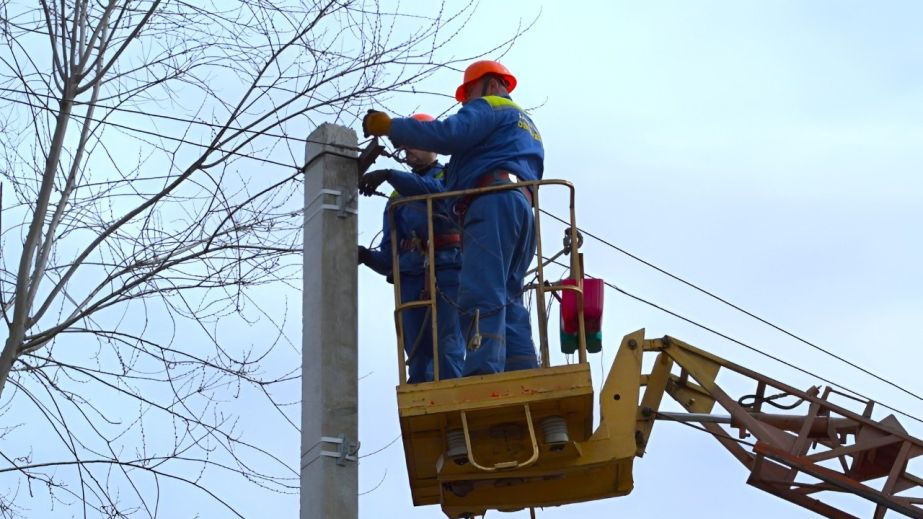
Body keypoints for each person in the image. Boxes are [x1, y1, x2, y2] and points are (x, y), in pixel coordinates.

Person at [362, 60, 543, 376]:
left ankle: (482, 372)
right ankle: (522, 369)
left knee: (481, 291)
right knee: (509, 295)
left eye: (469, 92)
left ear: (489, 84)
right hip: (520, 208)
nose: (466, 101)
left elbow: (448, 134)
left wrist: (391, 127)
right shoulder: (524, 128)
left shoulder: (491, 106)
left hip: (492, 203)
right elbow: (444, 191)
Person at [357, 114, 464, 383]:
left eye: (414, 144)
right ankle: (429, 409)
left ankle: (454, 402)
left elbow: (437, 198)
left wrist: (391, 175)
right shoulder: (396, 198)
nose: (409, 152)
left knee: (448, 346)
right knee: (417, 356)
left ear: (433, 146)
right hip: (410, 279)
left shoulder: (450, 175)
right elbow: (390, 255)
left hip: (448, 272)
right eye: (405, 147)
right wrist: (366, 256)